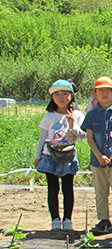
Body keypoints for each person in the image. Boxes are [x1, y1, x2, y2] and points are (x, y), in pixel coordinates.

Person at [81, 77, 112, 235]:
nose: (104, 93)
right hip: (97, 161)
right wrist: (98, 155)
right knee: (100, 191)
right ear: (94, 93)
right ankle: (103, 219)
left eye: (107, 90)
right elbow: (89, 138)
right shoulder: (91, 115)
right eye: (100, 90)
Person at [35, 79, 86, 232]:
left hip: (68, 155)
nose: (61, 97)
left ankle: (68, 220)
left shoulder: (77, 114)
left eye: (65, 93)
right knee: (52, 188)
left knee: (67, 188)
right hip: (49, 155)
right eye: (57, 94)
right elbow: (42, 138)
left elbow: (82, 136)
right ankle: (55, 220)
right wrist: (38, 157)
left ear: (71, 95)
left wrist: (72, 125)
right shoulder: (49, 116)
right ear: (52, 98)